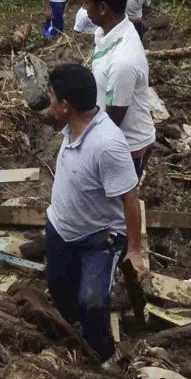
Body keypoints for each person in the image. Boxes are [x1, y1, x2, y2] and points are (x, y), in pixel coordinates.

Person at [40, 62, 147, 363]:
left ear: (65, 106)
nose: (50, 103)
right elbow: (45, 115)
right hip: (61, 227)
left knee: (93, 303)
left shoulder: (107, 145)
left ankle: (104, 357)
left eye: (52, 97)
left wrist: (135, 251)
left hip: (99, 238)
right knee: (59, 288)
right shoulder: (71, 123)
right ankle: (74, 334)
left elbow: (130, 197)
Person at [79, 0, 157, 176]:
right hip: (111, 134)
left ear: (102, 7)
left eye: (86, 2)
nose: (84, 8)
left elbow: (112, 121)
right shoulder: (107, 32)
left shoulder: (123, 59)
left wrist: (82, 140)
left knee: (113, 206)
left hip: (125, 150)